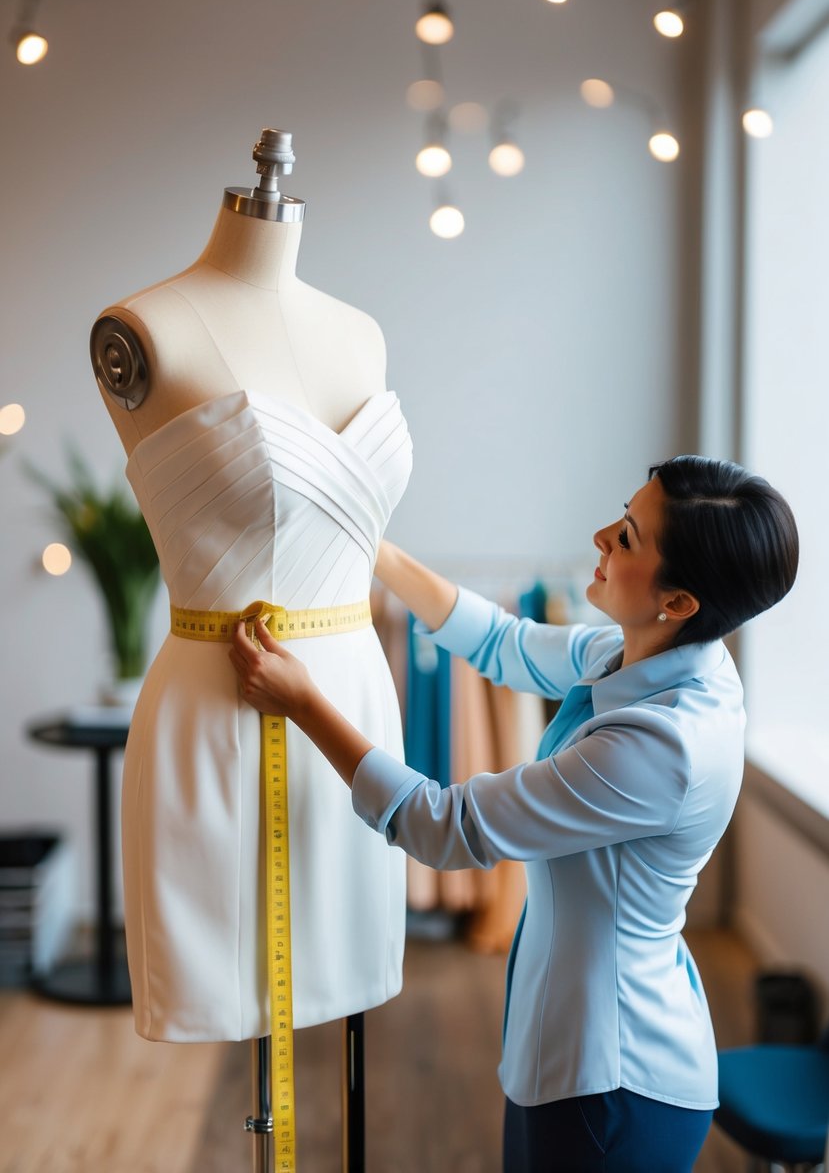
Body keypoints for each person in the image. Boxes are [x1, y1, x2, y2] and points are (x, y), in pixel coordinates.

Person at [228, 455, 798, 1173]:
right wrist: (371, 547)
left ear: (678, 600)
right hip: (569, 1050)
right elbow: (503, 644)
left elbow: (443, 826)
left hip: (613, 1085)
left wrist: (304, 703)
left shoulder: (662, 747)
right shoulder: (656, 655)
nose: (598, 536)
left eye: (625, 536)